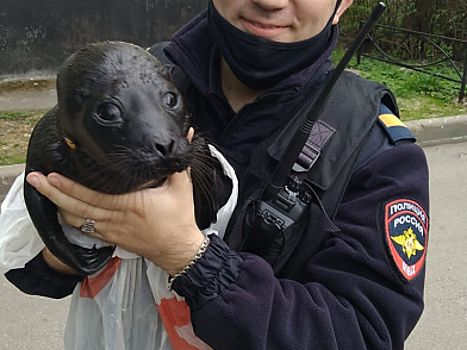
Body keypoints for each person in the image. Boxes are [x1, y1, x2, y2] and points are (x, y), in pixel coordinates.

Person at [4, 0, 430, 349]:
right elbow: (35, 274)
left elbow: (365, 335)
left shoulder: (379, 155)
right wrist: (70, 244)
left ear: (344, 4)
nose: (269, 1)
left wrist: (188, 256)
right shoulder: (129, 77)